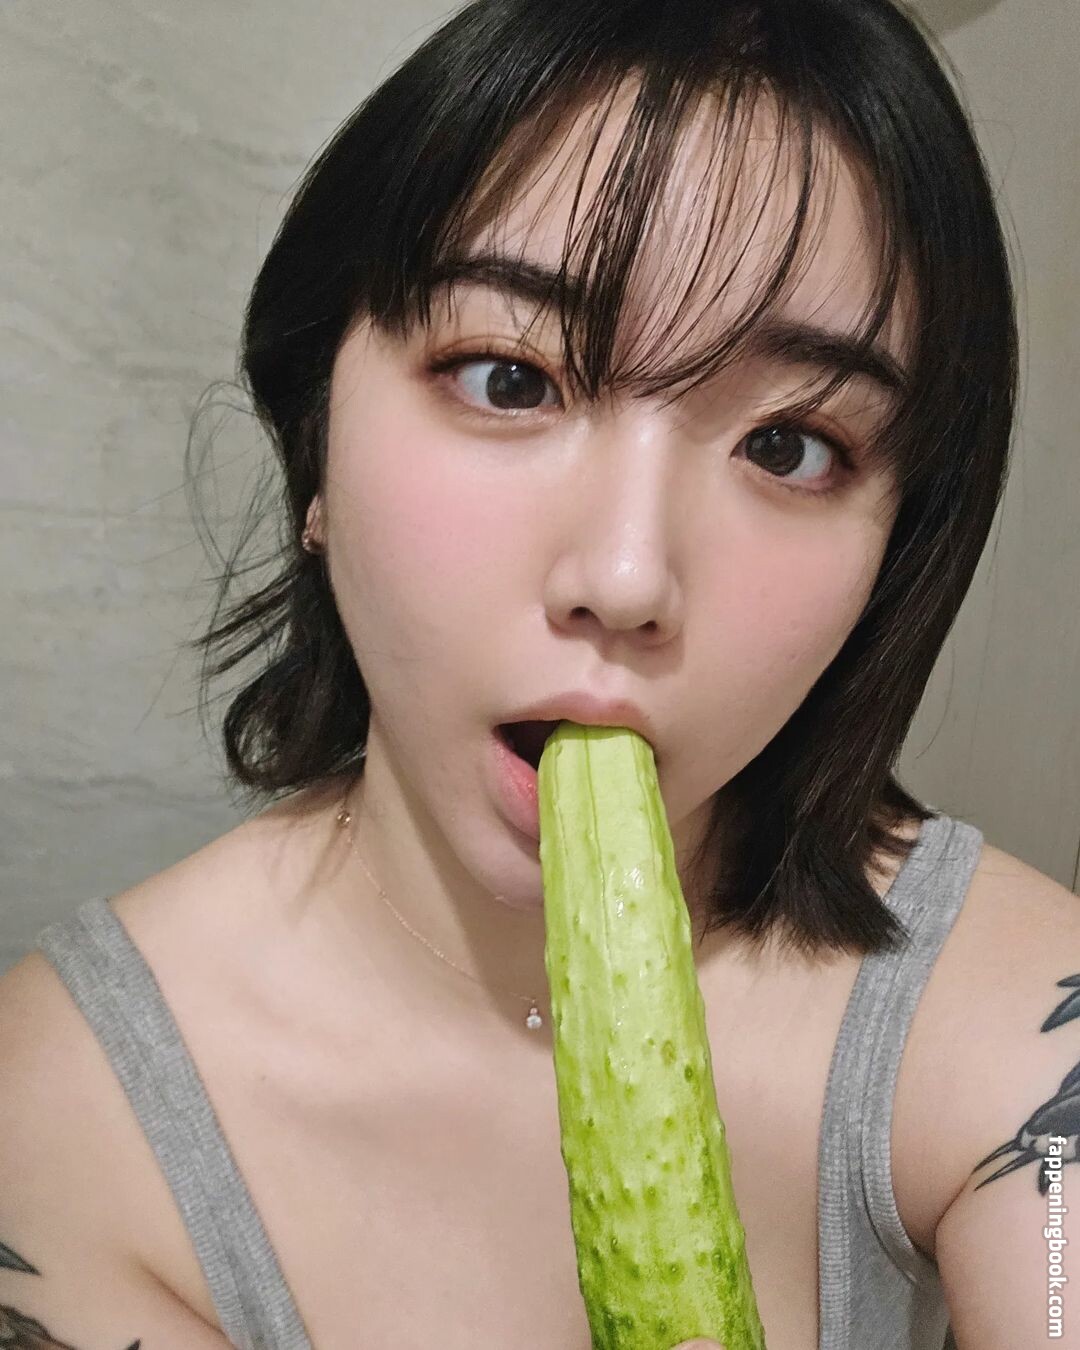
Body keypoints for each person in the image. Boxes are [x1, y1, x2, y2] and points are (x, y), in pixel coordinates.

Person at [1, 0, 1074, 1346]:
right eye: (510, 377)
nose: (626, 578)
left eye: (791, 445)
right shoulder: (57, 1116)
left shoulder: (1017, 1012)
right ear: (314, 438)